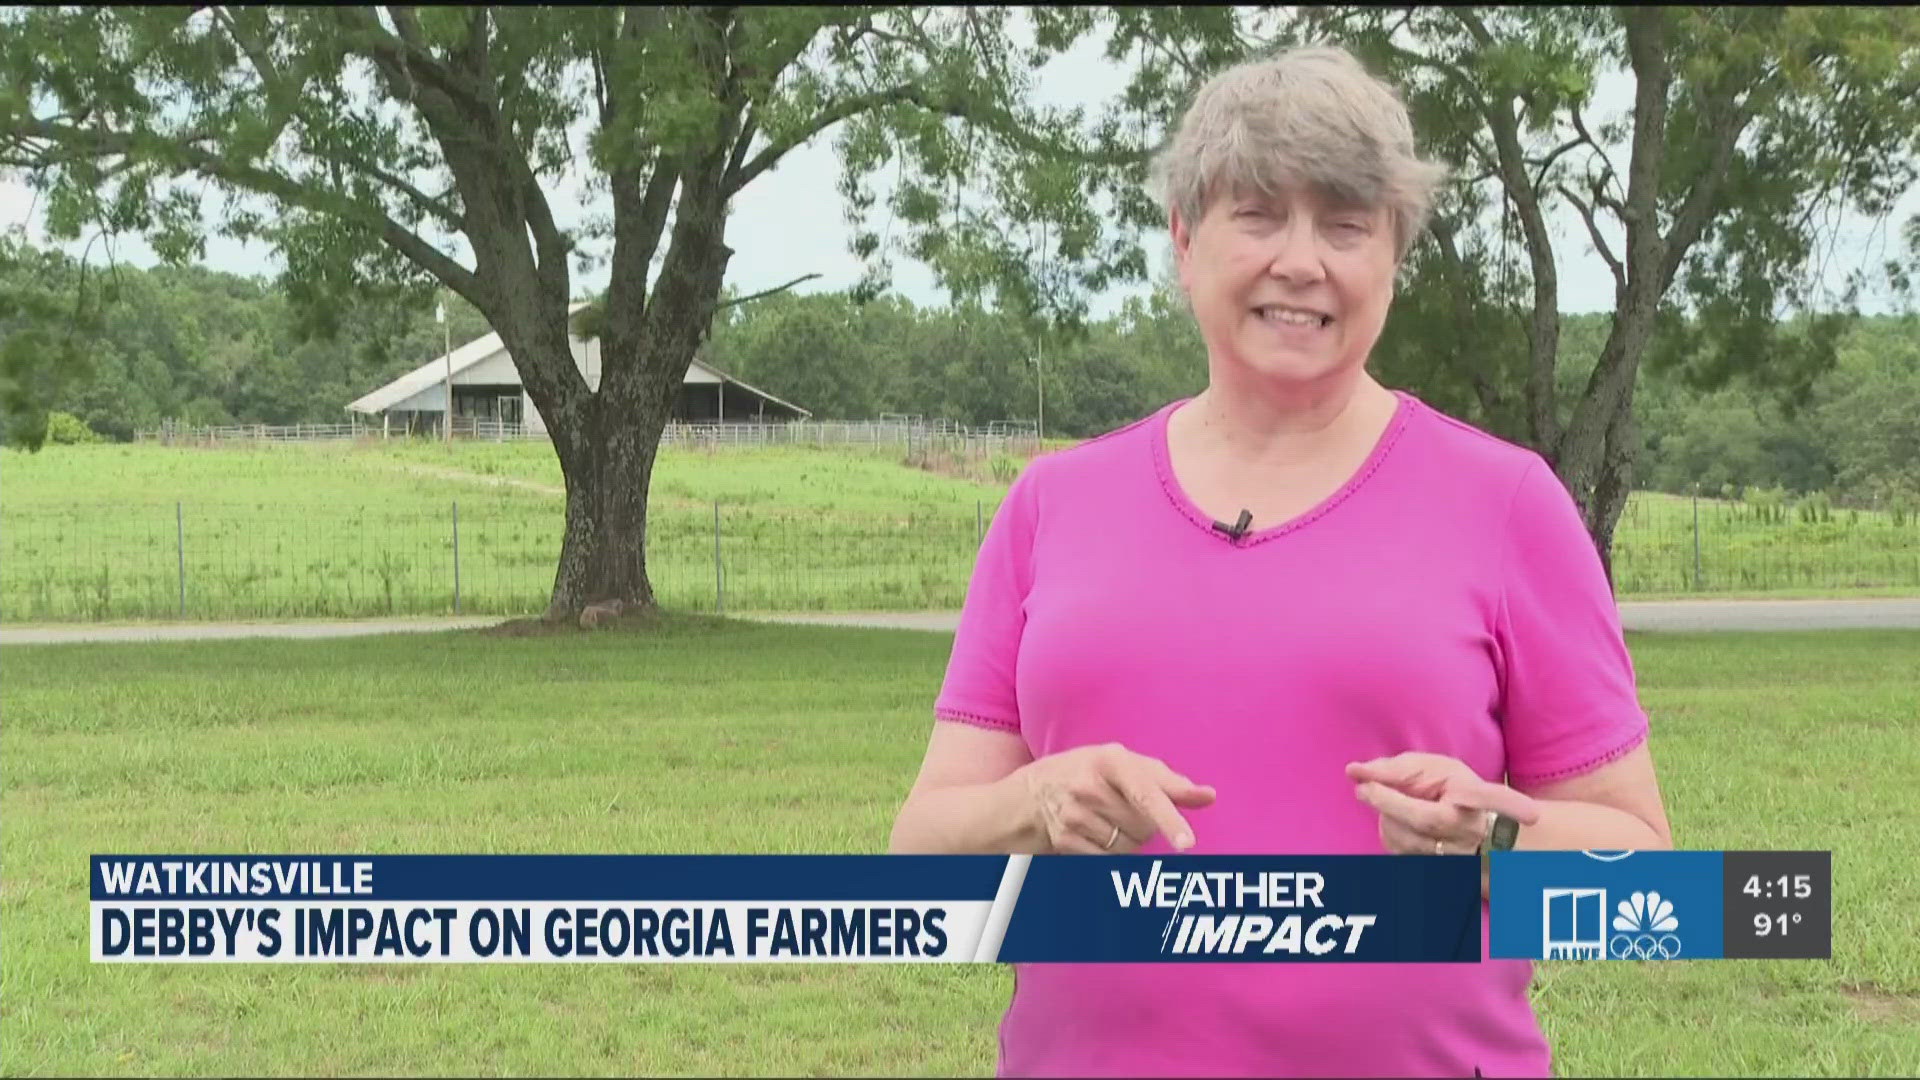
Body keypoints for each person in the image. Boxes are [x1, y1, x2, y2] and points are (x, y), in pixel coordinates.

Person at [888, 45, 1674, 1079]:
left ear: (1393, 255)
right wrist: (1032, 804)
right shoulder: (1051, 506)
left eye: (1345, 225)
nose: (1300, 262)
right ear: (1183, 239)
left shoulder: (1508, 505)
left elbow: (1647, 893)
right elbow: (917, 868)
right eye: (1257, 215)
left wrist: (1499, 842)